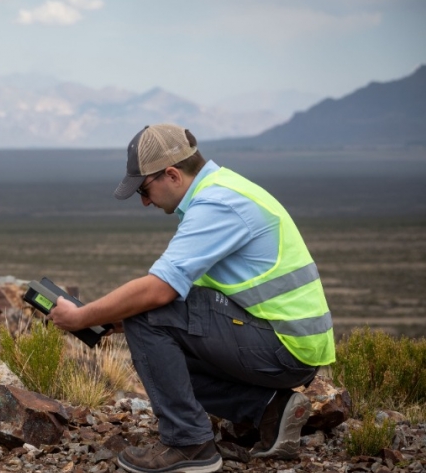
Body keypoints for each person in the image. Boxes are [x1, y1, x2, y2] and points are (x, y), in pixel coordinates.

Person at [49, 124, 334, 473]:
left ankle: (189, 443)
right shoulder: (225, 188)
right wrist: (116, 322)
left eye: (144, 189)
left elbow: (159, 291)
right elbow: (192, 306)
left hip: (282, 349)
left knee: (146, 313)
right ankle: (269, 407)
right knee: (152, 335)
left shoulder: (217, 204)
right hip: (287, 344)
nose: (144, 201)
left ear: (171, 174)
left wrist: (83, 318)